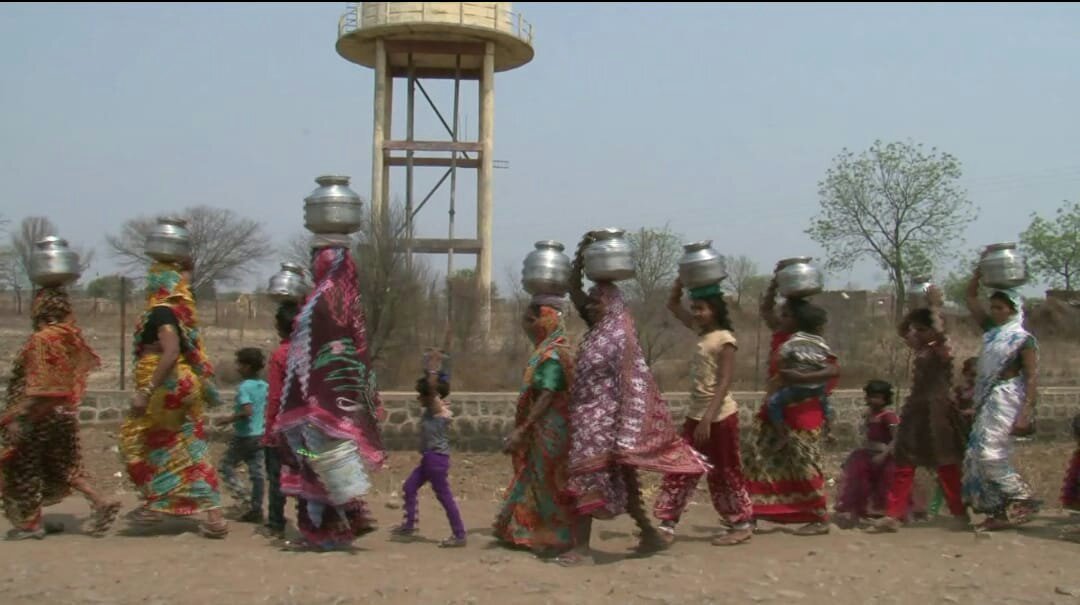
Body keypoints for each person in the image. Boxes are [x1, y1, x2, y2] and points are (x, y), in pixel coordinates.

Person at [556, 232, 708, 566]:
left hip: (604, 423)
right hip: (587, 418)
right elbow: (572, 286)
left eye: (599, 300)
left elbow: (633, 382)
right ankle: (650, 535)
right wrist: (582, 249)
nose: (591, 304)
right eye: (592, 300)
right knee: (624, 478)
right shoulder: (598, 329)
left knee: (586, 476)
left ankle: (581, 548)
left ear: (613, 304)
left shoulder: (619, 335)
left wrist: (624, 427)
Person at [272, 241, 385, 551]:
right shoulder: (350, 303)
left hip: (315, 406)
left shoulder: (320, 302)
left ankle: (327, 528)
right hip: (340, 406)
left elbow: (310, 356)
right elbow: (359, 356)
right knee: (328, 465)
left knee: (312, 464)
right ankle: (350, 514)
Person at [1, 287, 121, 540]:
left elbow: (43, 385)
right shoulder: (69, 337)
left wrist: (21, 416)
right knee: (62, 465)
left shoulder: (43, 339)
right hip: (62, 413)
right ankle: (100, 501)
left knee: (24, 465)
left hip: (38, 414)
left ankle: (31, 524)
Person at [119, 261, 227, 538]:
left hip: (167, 388)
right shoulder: (179, 314)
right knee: (188, 446)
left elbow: (171, 351)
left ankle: (156, 504)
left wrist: (146, 391)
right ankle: (212, 517)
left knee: (137, 440)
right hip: (183, 386)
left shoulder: (162, 313)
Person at [651, 279, 754, 546]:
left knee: (724, 470)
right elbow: (673, 305)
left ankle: (741, 523)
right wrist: (681, 280)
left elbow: (724, 381)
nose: (696, 313)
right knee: (682, 468)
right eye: (694, 308)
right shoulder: (702, 333)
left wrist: (708, 417)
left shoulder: (725, 340)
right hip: (697, 415)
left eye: (701, 308)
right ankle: (667, 524)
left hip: (718, 416)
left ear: (716, 311)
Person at [743, 274, 838, 537]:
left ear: (797, 321)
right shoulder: (781, 338)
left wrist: (801, 378)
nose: (779, 319)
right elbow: (766, 310)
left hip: (802, 411)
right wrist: (777, 280)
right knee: (757, 459)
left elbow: (832, 371)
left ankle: (819, 517)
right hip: (775, 410)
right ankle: (753, 513)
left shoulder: (811, 345)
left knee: (804, 463)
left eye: (785, 315)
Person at [872, 289, 968, 532]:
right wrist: (917, 309)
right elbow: (902, 330)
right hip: (917, 410)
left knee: (946, 464)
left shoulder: (941, 349)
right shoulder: (923, 348)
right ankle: (892, 515)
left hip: (937, 412)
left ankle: (958, 513)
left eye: (921, 330)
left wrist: (934, 308)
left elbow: (940, 332)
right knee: (905, 461)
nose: (916, 335)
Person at [493, 295, 576, 556]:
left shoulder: (551, 355)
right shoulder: (549, 350)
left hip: (550, 430)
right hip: (547, 428)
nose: (525, 326)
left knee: (547, 481)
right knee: (535, 477)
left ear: (545, 321)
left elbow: (548, 394)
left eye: (530, 320)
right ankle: (522, 529)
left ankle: (554, 536)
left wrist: (524, 428)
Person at [961, 268, 1041, 530]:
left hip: (1007, 398)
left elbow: (1031, 377)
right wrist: (978, 273)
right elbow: (971, 299)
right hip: (988, 399)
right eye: (992, 307)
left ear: (1013, 310)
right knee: (977, 454)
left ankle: (1021, 495)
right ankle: (997, 509)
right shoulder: (992, 332)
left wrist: (1025, 412)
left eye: (1000, 308)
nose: (994, 312)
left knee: (990, 453)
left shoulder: (1022, 340)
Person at [391, 373, 466, 547]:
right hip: (429, 459)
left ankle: (459, 534)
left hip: (436, 460)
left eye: (421, 395)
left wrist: (432, 371)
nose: (418, 398)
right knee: (409, 487)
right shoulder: (431, 411)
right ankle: (409, 526)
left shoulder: (438, 411)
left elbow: (433, 394)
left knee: (444, 496)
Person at [833, 380, 899, 527]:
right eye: (871, 396)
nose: (874, 400)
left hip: (883, 456)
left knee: (884, 486)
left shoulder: (888, 416)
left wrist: (884, 455)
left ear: (885, 398)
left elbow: (897, 438)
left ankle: (883, 515)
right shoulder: (869, 415)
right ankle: (860, 513)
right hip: (866, 455)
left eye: (878, 397)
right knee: (860, 485)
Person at [259, 302, 298, 540]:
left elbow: (275, 396)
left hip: (282, 429)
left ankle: (275, 523)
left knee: (276, 477)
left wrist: (269, 431)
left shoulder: (280, 355)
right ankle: (313, 524)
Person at [215, 348, 269, 523]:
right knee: (257, 473)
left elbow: (247, 411)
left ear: (247, 366)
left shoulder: (244, 387)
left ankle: (244, 497)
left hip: (245, 435)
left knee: (225, 466)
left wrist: (227, 419)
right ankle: (256, 508)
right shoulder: (265, 386)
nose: (237, 368)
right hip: (260, 434)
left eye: (239, 364)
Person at [765, 324, 834, 443]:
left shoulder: (791, 343)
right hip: (818, 386)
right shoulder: (821, 343)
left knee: (773, 403)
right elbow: (829, 360)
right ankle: (829, 430)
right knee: (826, 405)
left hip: (798, 387)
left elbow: (780, 362)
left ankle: (782, 435)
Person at [953, 357, 978, 440]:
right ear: (965, 373)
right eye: (973, 375)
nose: (975, 379)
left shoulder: (985, 391)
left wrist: (969, 412)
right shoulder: (959, 391)